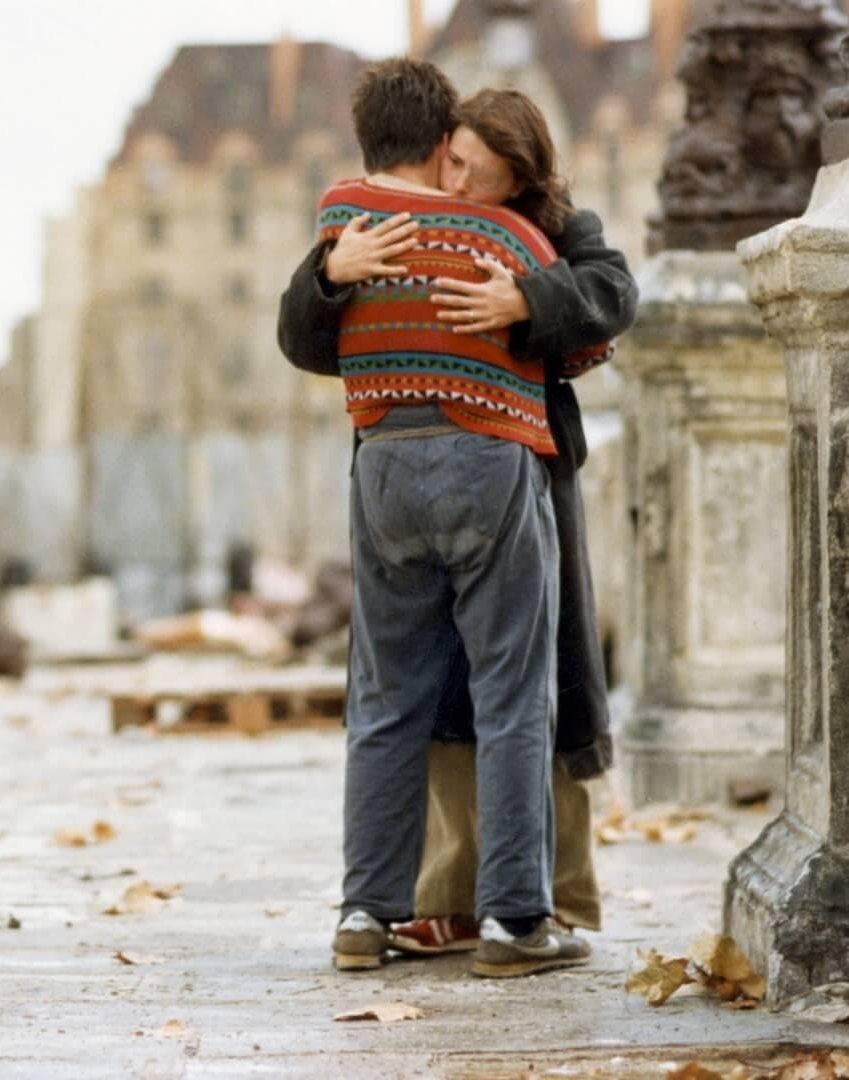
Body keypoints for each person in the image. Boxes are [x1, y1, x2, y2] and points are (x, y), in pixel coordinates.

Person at [284, 58, 622, 978]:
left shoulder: (342, 215)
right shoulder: (510, 233)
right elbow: (599, 339)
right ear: (439, 143)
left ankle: (365, 915)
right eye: (456, 160)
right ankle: (516, 922)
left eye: (478, 168)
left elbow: (606, 290)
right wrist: (329, 276)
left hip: (386, 461)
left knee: (384, 702)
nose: (459, 181)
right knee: (516, 698)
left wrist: (526, 302)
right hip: (492, 459)